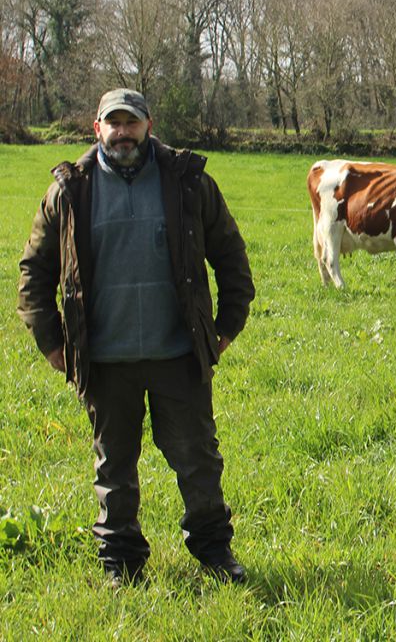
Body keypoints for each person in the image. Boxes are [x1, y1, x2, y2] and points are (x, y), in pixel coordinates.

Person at [17, 88, 256, 587]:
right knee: (115, 468)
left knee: (198, 460)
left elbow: (231, 256)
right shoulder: (71, 190)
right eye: (113, 123)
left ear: (149, 123)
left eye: (131, 122)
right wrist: (53, 345)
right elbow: (33, 273)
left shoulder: (188, 182)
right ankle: (121, 562)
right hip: (105, 361)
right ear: (96, 129)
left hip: (178, 356)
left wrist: (225, 329)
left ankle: (214, 551)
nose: (122, 132)